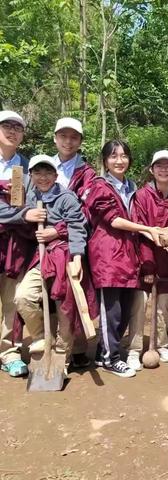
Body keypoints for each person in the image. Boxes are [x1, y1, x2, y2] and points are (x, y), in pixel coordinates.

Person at [84, 140, 162, 378]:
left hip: (128, 256)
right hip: (108, 255)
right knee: (111, 310)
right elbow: (113, 219)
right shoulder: (99, 186)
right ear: (105, 161)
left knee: (125, 308)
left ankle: (102, 353)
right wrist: (146, 228)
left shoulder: (130, 187)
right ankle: (111, 358)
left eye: (124, 156)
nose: (119, 161)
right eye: (113, 156)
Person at [13, 155, 89, 372]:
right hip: (40, 258)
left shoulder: (66, 197)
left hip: (63, 257)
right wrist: (27, 214)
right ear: (32, 175)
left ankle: (62, 358)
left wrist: (76, 257)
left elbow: (77, 226)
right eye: (38, 173)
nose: (43, 177)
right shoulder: (30, 196)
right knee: (23, 296)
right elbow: (18, 217)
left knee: (65, 308)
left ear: (56, 175)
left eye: (48, 173)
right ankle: (41, 338)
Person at [51, 117, 97, 369]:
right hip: (44, 242)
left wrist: (61, 230)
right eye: (63, 136)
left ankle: (75, 348)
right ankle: (50, 344)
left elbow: (86, 210)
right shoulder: (42, 167)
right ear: (55, 138)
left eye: (74, 137)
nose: (68, 141)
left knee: (74, 293)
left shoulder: (87, 173)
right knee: (48, 295)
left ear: (80, 141)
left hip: (75, 241)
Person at [131, 150, 168, 363]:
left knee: (164, 307)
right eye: (159, 166)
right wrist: (148, 265)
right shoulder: (142, 196)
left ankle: (161, 344)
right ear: (152, 170)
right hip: (144, 258)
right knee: (140, 306)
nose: (164, 170)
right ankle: (135, 349)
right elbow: (138, 227)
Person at [0, 110, 34, 377]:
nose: (12, 132)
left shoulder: (24, 166)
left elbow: (29, 204)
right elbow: (23, 211)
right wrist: (21, 214)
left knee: (12, 298)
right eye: (6, 126)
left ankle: (8, 351)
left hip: (14, 243)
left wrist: (21, 214)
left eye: (17, 128)